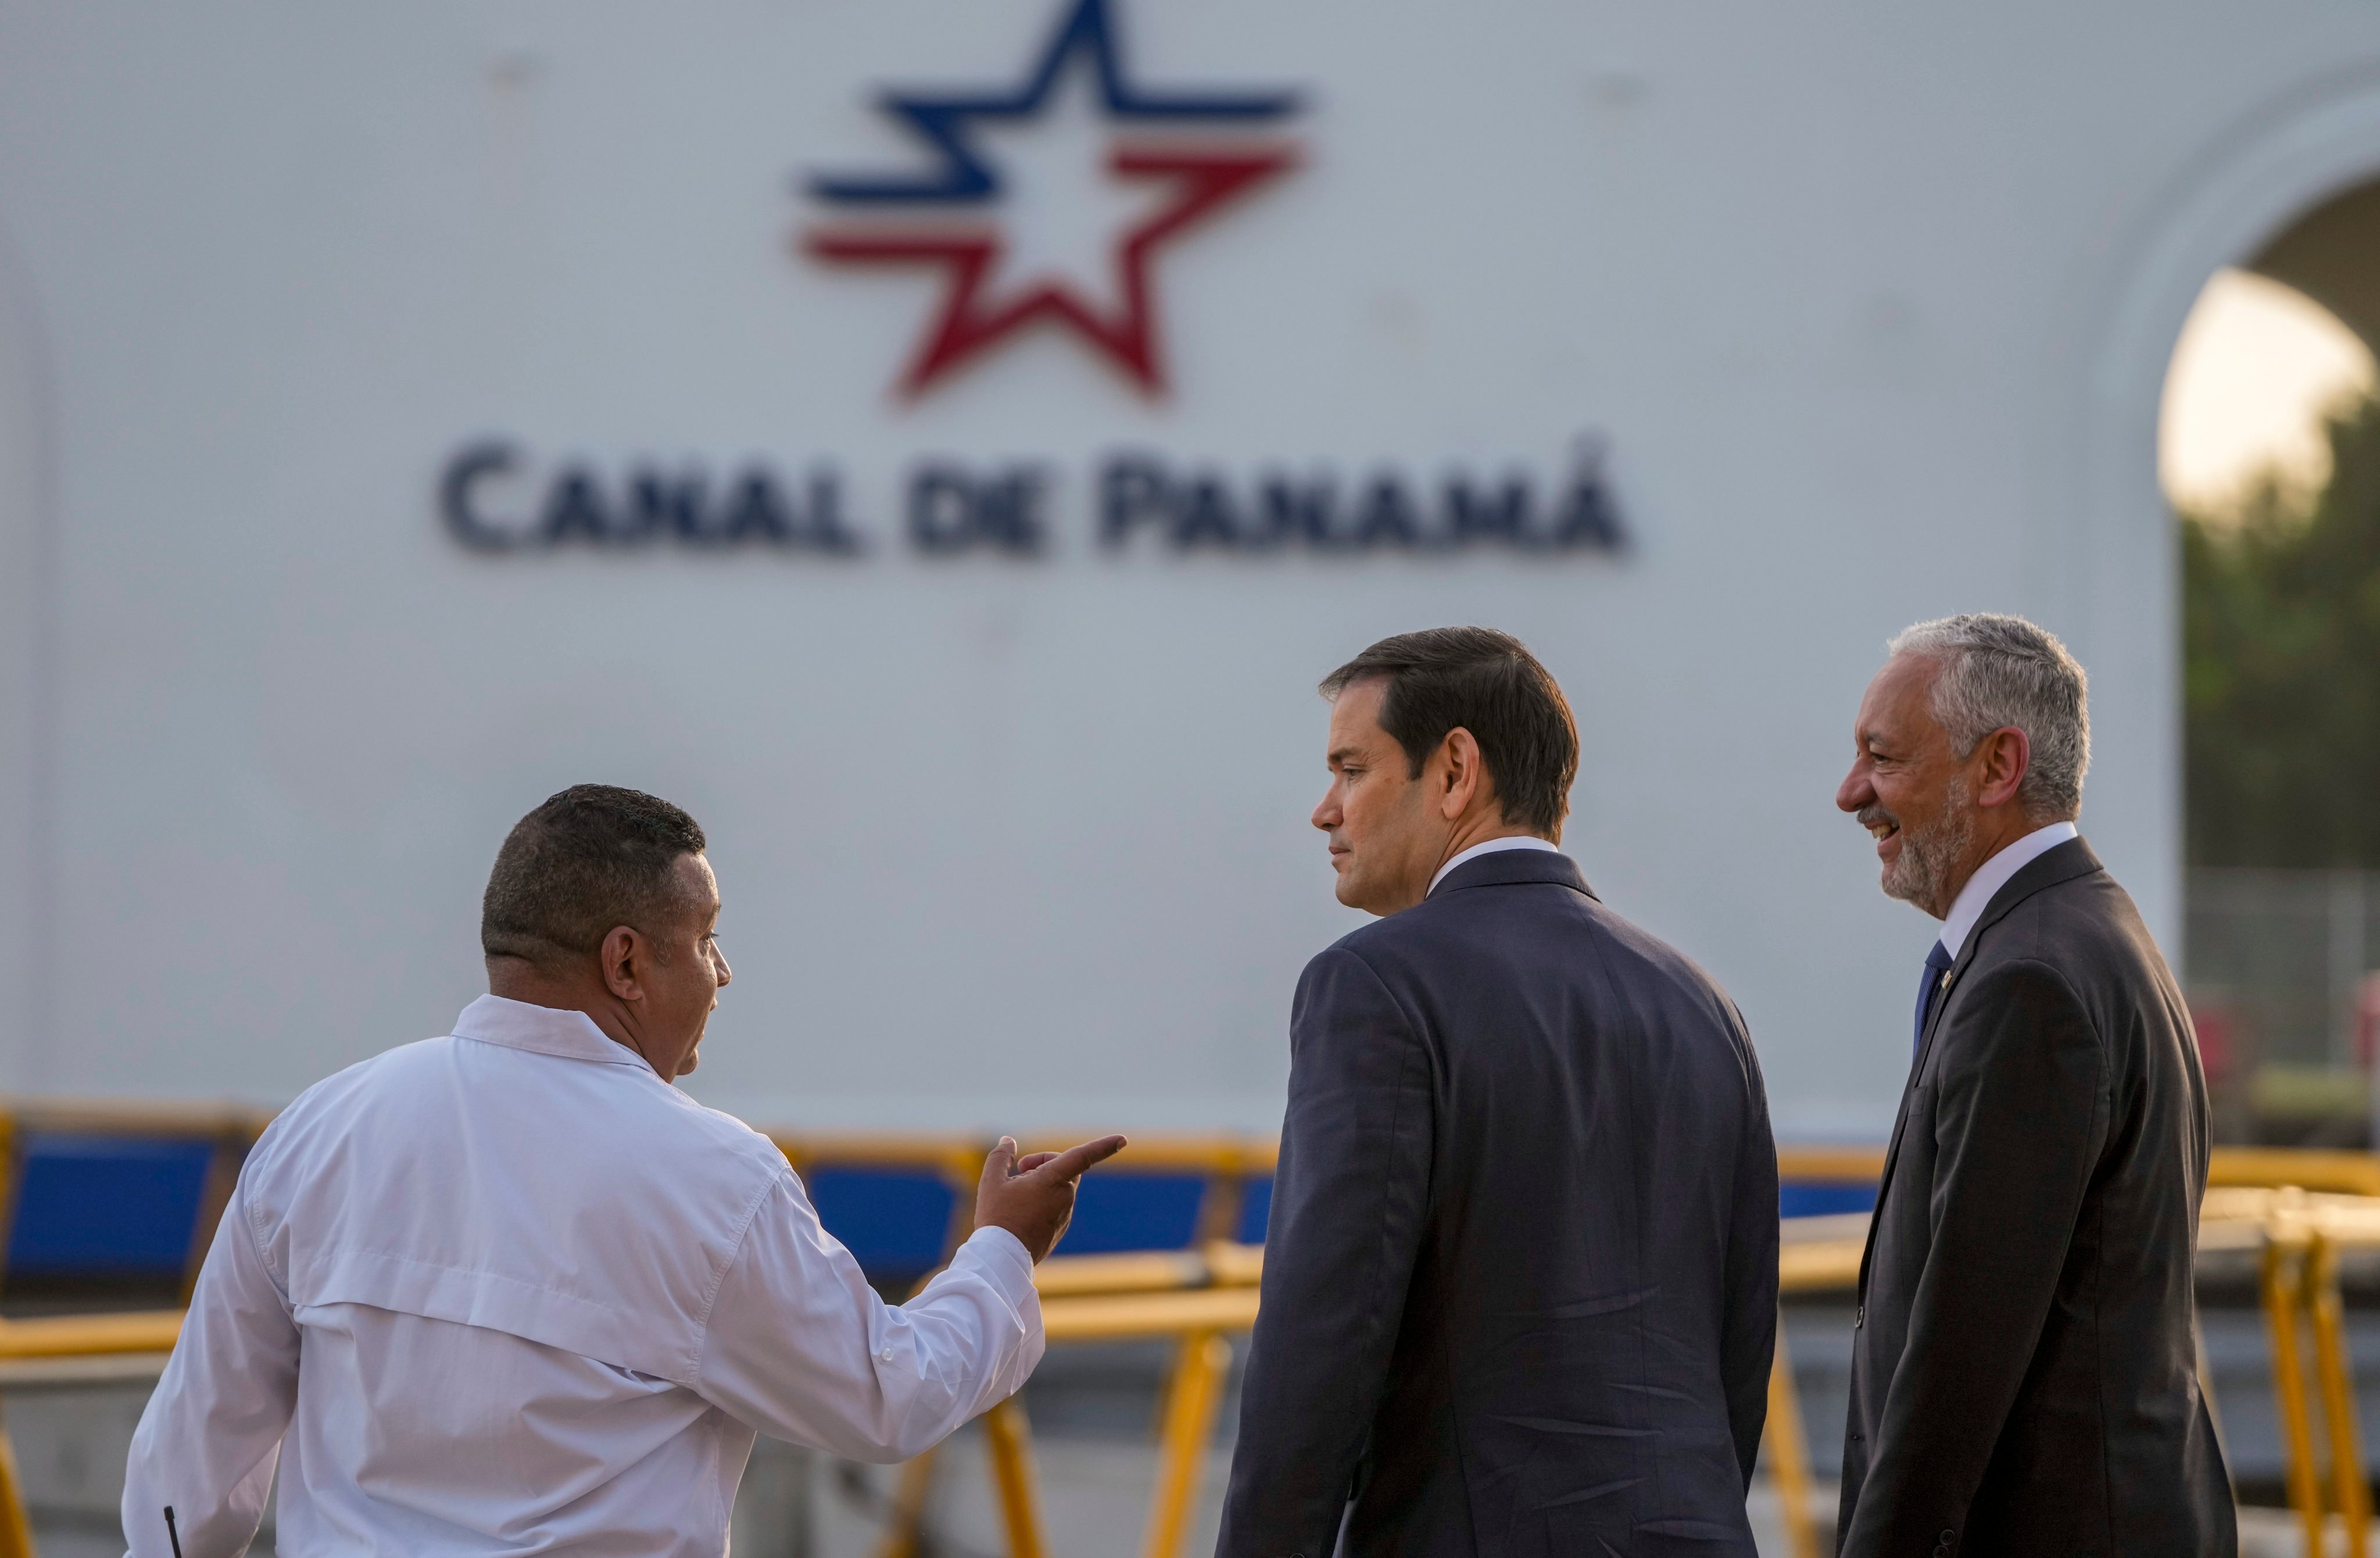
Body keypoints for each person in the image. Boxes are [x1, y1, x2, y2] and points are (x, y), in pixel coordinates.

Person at [121, 784, 1123, 1557]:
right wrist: (1002, 1249)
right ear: (628, 964)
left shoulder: (320, 1130)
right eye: (710, 938)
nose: (724, 974)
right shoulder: (712, 1177)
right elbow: (885, 1396)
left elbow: (193, 1465)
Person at [1218, 627, 1779, 1558]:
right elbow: (1738, 1340)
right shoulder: (1702, 1002)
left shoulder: (1374, 985)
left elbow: (1322, 1342)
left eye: (1351, 768)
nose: (1325, 810)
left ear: (1454, 771)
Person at [1833, 615, 2232, 1556]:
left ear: (1997, 765)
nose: (1851, 793)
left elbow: (1960, 1360)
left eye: (1881, 757)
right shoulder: (2089, 933)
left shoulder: (2031, 980)